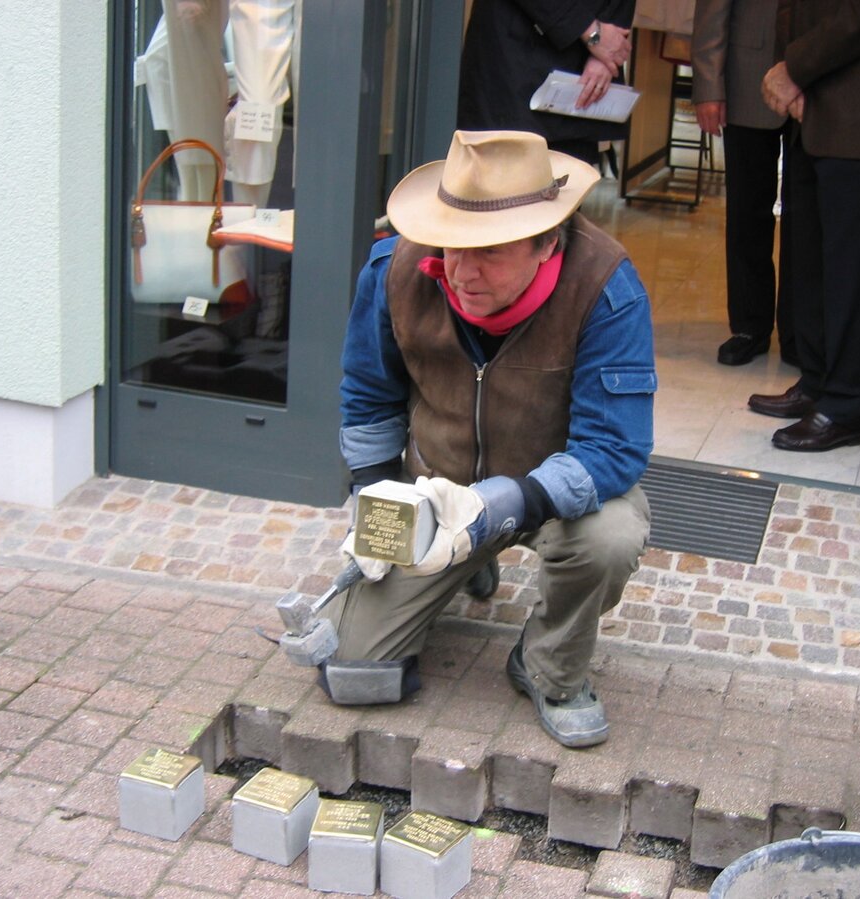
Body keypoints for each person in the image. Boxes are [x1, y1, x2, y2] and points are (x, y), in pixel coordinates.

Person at [325, 130, 655, 748]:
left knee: (610, 538)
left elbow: (614, 447)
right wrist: (375, 502)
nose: (462, 271)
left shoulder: (606, 288)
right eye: (452, 245)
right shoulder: (392, 269)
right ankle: (462, 566)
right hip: (439, 482)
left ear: (545, 243)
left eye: (490, 251)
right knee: (353, 666)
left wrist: (504, 506)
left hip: (556, 491)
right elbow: (370, 395)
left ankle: (547, 664)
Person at [747, 0, 860, 451]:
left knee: (852, 268)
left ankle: (848, 405)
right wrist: (792, 73)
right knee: (811, 258)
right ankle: (818, 381)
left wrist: (795, 66)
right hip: (815, 105)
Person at [691, 0, 795, 367]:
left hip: (819, 80)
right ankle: (750, 326)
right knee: (747, 215)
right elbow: (712, 12)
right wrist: (708, 86)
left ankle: (799, 331)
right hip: (747, 79)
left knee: (807, 220)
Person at [457, 1, 636, 167]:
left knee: (569, 184)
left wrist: (609, 49)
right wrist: (591, 32)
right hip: (516, 50)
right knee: (502, 185)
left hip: (588, 62)